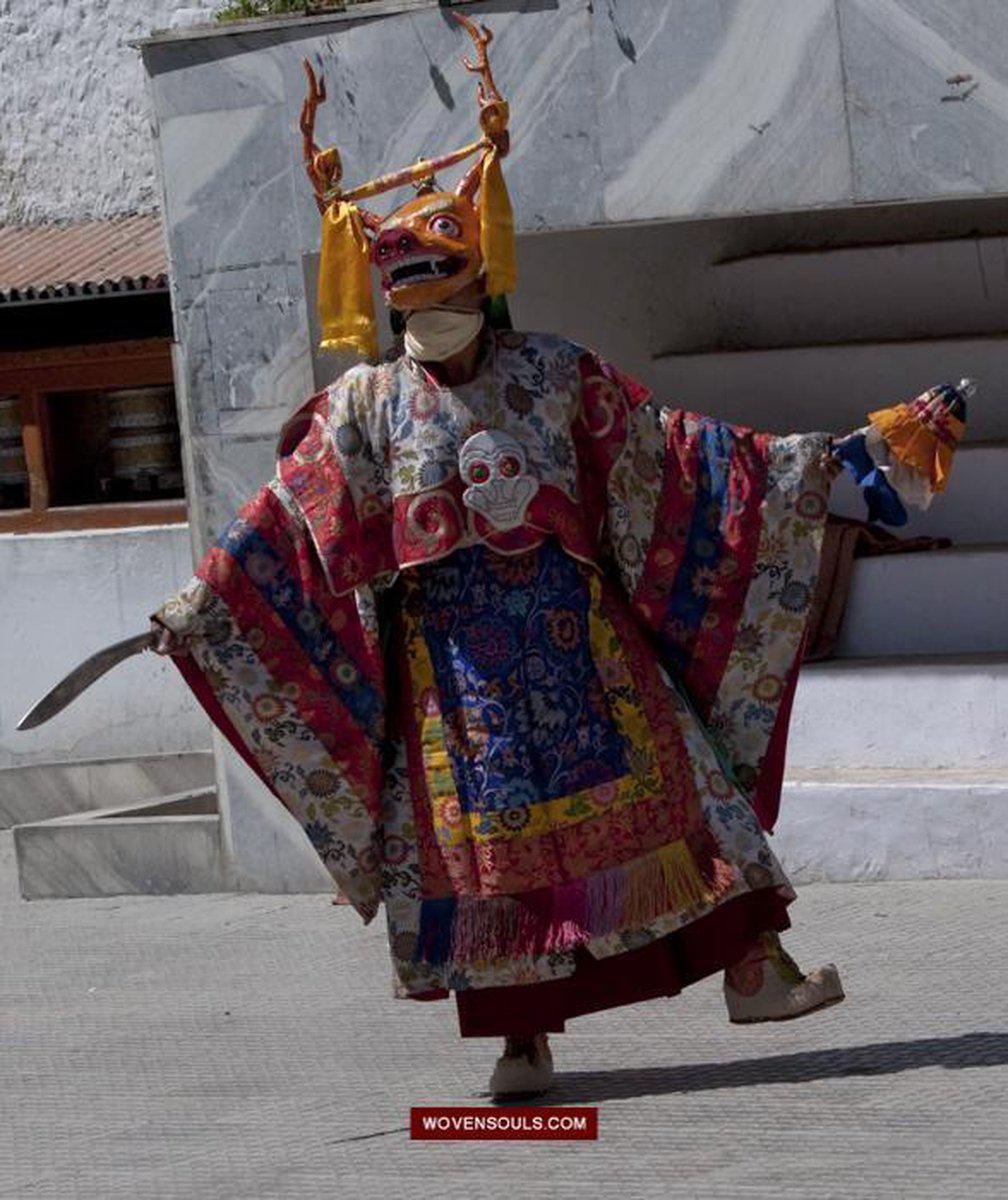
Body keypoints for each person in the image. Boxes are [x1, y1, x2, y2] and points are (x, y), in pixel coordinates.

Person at [151, 15, 968, 1100]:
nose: (432, 324)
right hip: (457, 679)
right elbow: (288, 518)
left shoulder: (553, 372)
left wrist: (831, 470)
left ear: (481, 286)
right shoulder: (366, 403)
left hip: (583, 645)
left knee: (687, 796)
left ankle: (753, 968)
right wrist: (206, 603)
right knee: (487, 862)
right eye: (413, 307)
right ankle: (523, 1044)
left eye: (449, 299)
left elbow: (674, 460)